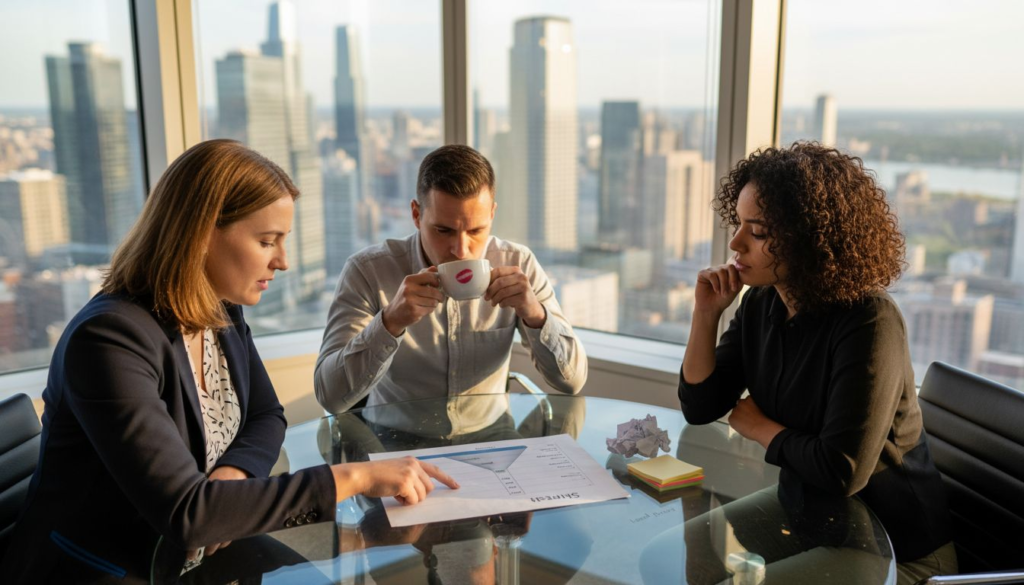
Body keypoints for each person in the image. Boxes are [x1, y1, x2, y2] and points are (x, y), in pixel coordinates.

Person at [0, 140, 457, 583]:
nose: (283, 261)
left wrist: (227, 484)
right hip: (106, 564)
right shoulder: (107, 341)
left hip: (203, 547)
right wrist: (355, 476)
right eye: (267, 241)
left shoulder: (218, 308)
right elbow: (189, 515)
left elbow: (265, 416)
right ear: (202, 234)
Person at [677, 143, 955, 584]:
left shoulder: (869, 322)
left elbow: (841, 470)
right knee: (673, 558)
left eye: (759, 231)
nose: (735, 243)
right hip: (809, 517)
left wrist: (757, 426)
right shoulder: (762, 304)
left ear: (811, 238)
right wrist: (705, 315)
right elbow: (700, 405)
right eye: (739, 224)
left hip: (898, 551)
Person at [315, 144, 587, 431]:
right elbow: (331, 397)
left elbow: (572, 381)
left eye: (476, 231)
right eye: (443, 230)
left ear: (492, 214)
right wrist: (389, 322)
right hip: (392, 439)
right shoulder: (368, 270)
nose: (461, 250)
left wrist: (535, 314)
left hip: (494, 437)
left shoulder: (519, 264)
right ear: (416, 215)